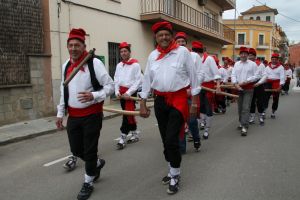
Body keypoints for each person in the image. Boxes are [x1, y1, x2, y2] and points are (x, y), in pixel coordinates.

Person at [139, 21, 200, 194]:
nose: (164, 37)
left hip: (179, 100)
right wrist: (143, 103)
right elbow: (147, 80)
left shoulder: (183, 53)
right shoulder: (152, 56)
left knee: (172, 139)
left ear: (172, 36)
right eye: (160, 35)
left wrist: (195, 102)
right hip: (160, 101)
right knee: (165, 139)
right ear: (156, 38)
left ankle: (175, 174)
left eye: (166, 34)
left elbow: (194, 77)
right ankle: (171, 168)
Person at [56, 28, 114, 200]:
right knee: (76, 149)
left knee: (89, 150)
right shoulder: (66, 65)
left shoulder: (94, 63)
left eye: (77, 45)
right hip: (73, 116)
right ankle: (96, 163)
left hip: (92, 115)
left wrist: (94, 95)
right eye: (70, 45)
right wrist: (60, 113)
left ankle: (88, 182)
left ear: (84, 46)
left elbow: (110, 86)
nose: (73, 48)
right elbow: (63, 89)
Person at [174, 31, 203, 153]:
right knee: (179, 120)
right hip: (177, 94)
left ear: (186, 44)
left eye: (182, 42)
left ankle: (196, 139)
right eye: (178, 41)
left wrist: (192, 89)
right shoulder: (172, 56)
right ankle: (181, 147)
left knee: (191, 120)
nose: (180, 44)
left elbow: (200, 74)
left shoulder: (194, 56)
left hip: (190, 92)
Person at [114, 42, 143, 150]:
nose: (123, 53)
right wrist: (117, 91)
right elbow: (116, 79)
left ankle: (123, 137)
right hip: (121, 93)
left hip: (130, 93)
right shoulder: (119, 65)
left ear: (129, 52)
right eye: (121, 51)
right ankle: (135, 133)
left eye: (125, 51)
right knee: (127, 114)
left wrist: (129, 93)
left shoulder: (135, 64)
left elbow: (137, 81)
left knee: (126, 114)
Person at [191, 41, 221, 139]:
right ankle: (202, 123)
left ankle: (207, 130)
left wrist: (218, 86)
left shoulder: (209, 59)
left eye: (198, 52)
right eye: (194, 52)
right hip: (198, 86)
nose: (196, 54)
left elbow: (216, 73)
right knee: (200, 107)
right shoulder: (193, 59)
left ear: (201, 51)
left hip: (208, 86)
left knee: (208, 108)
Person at [231, 47, 260, 136]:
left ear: (247, 55)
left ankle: (244, 126)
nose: (243, 55)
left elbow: (257, 76)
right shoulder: (236, 64)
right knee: (240, 108)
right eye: (241, 53)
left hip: (248, 88)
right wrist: (235, 84)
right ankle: (241, 122)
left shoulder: (253, 64)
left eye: (245, 54)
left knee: (246, 108)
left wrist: (247, 80)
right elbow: (233, 75)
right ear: (239, 54)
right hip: (239, 88)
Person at [255, 53, 285, 119]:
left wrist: (280, 86)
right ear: (271, 59)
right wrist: (260, 83)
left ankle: (273, 112)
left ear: (278, 60)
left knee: (275, 99)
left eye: (275, 59)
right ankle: (263, 112)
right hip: (268, 83)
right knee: (265, 98)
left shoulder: (281, 67)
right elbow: (265, 76)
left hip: (276, 84)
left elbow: (282, 77)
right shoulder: (267, 67)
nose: (274, 61)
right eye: (272, 59)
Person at [248, 48, 266, 125]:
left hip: (259, 85)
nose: (250, 57)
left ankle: (261, 116)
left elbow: (264, 76)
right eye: (249, 55)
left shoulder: (261, 65)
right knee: (251, 101)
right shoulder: (247, 64)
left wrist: (259, 83)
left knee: (260, 101)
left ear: (255, 56)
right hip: (250, 85)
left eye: (252, 55)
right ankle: (252, 117)